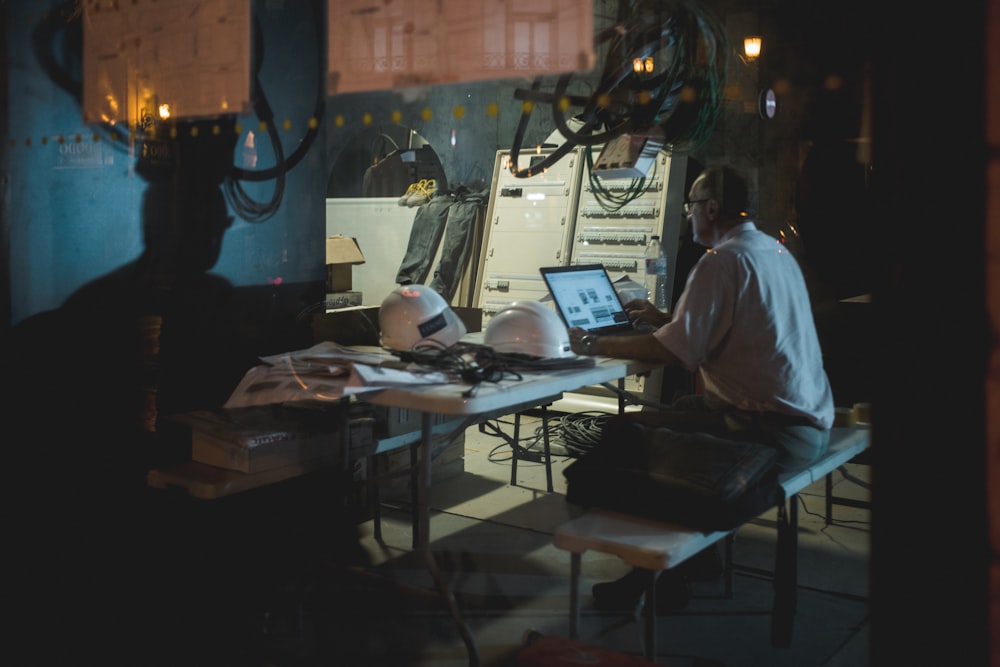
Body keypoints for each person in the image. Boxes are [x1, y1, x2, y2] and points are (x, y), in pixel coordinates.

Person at [567, 165, 835, 613]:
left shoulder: (720, 261)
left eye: (692, 205)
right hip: (808, 424)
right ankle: (699, 559)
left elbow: (675, 353)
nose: (688, 215)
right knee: (684, 405)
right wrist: (661, 319)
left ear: (711, 208)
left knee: (624, 437)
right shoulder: (773, 250)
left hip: (770, 433)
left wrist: (592, 341)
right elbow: (726, 327)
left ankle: (656, 579)